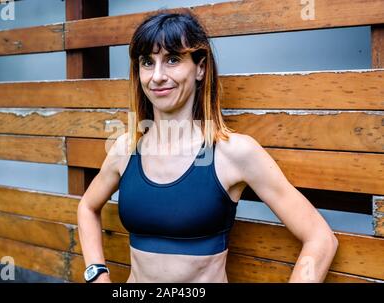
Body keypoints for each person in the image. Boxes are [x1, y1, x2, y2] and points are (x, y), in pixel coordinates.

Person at [77, 10, 338, 283]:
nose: (156, 76)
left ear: (200, 67)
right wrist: (97, 274)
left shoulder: (234, 152)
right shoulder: (125, 149)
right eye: (147, 62)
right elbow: (87, 207)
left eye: (173, 60)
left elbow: (320, 238)